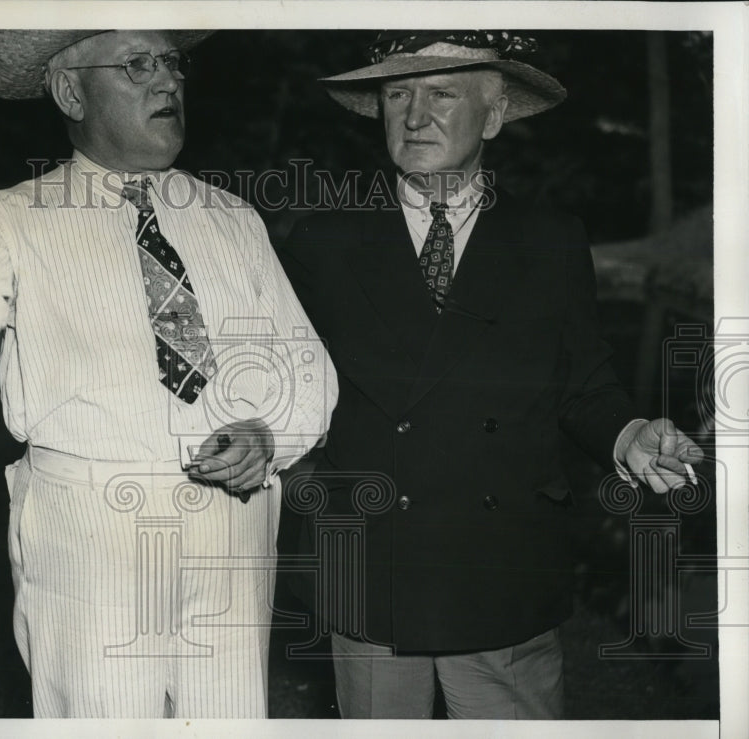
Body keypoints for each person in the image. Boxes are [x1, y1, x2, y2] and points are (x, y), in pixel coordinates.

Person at [0, 28, 336, 719]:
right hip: (90, 535)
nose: (168, 83)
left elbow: (308, 369)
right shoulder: (12, 219)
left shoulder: (231, 219)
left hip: (232, 528)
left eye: (173, 64)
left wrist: (267, 436)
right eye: (137, 65)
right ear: (70, 91)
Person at [280, 30, 703, 720]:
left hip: (500, 567)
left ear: (495, 113)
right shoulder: (324, 241)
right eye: (397, 94)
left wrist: (629, 434)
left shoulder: (551, 238)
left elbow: (584, 382)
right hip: (375, 565)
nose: (415, 116)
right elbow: (288, 393)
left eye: (441, 93)